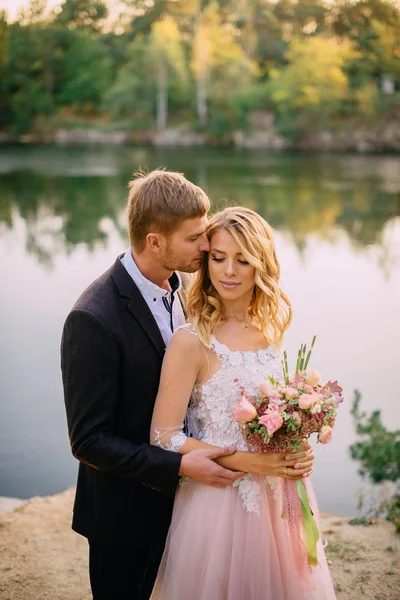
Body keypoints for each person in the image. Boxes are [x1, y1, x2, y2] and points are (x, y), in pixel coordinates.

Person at [61, 170, 246, 600]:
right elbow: (88, 440)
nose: (207, 247)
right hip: (122, 513)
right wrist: (179, 466)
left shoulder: (181, 289)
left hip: (184, 506)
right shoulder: (93, 318)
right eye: (195, 238)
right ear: (154, 242)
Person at [150, 206, 335, 599]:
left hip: (275, 499)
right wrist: (247, 461)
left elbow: (275, 415)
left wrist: (296, 446)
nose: (228, 271)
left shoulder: (270, 331)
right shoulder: (191, 340)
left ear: (260, 266)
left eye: (242, 259)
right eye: (218, 258)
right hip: (217, 503)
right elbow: (164, 437)